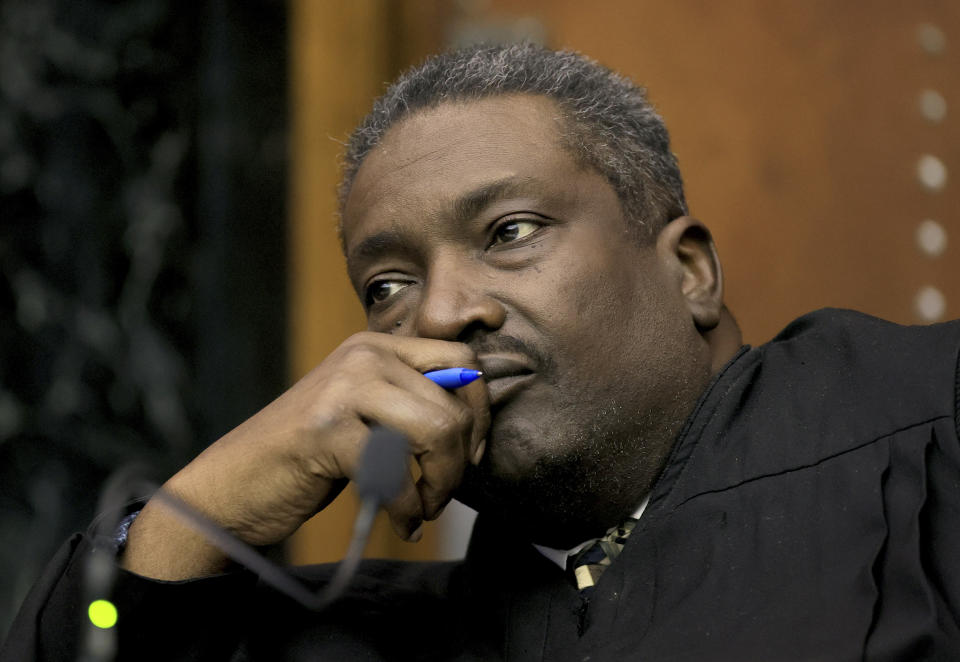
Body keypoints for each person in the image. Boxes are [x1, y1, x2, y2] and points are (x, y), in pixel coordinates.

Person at [4, 43, 960, 661]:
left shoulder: (926, 428)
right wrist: (202, 506)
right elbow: (93, 642)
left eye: (509, 232)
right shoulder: (386, 635)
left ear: (690, 272)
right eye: (388, 287)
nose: (444, 312)